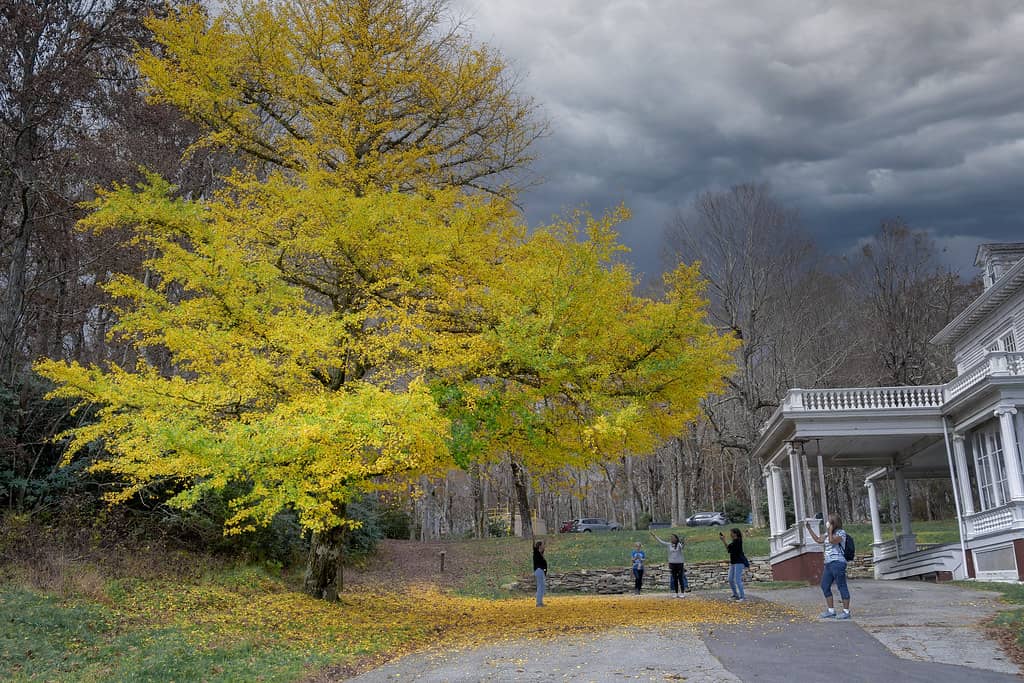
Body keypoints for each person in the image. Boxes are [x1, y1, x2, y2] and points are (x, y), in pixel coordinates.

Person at [805, 514, 851, 619]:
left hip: (838, 563)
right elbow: (818, 540)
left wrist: (830, 530)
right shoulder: (827, 534)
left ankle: (846, 612)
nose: (827, 523)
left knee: (841, 586)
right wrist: (809, 529)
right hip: (829, 564)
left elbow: (832, 541)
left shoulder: (841, 533)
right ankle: (831, 610)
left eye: (829, 521)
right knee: (824, 585)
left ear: (834, 523)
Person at [651, 530, 687, 597]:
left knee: (680, 578)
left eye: (673, 538)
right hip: (672, 564)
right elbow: (661, 541)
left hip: (679, 564)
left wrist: (683, 543)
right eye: (671, 538)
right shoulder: (669, 544)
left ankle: (682, 593)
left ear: (676, 539)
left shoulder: (679, 545)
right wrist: (654, 536)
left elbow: (682, 547)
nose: (671, 539)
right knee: (674, 578)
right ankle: (676, 593)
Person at [719, 528, 746, 601]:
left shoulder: (738, 541)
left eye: (731, 533)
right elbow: (728, 549)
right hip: (733, 562)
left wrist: (724, 540)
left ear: (735, 533)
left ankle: (742, 597)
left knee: (737, 580)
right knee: (730, 579)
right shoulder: (734, 542)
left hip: (739, 562)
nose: (730, 534)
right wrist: (723, 540)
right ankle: (735, 595)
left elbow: (730, 549)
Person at [533, 540, 547, 607]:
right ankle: (538, 603)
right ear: (539, 546)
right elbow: (534, 548)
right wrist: (533, 539)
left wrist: (544, 543)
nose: (543, 547)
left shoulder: (541, 554)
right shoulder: (536, 553)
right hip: (539, 571)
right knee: (540, 587)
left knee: (542, 587)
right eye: (542, 545)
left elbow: (543, 549)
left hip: (541, 571)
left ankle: (540, 602)